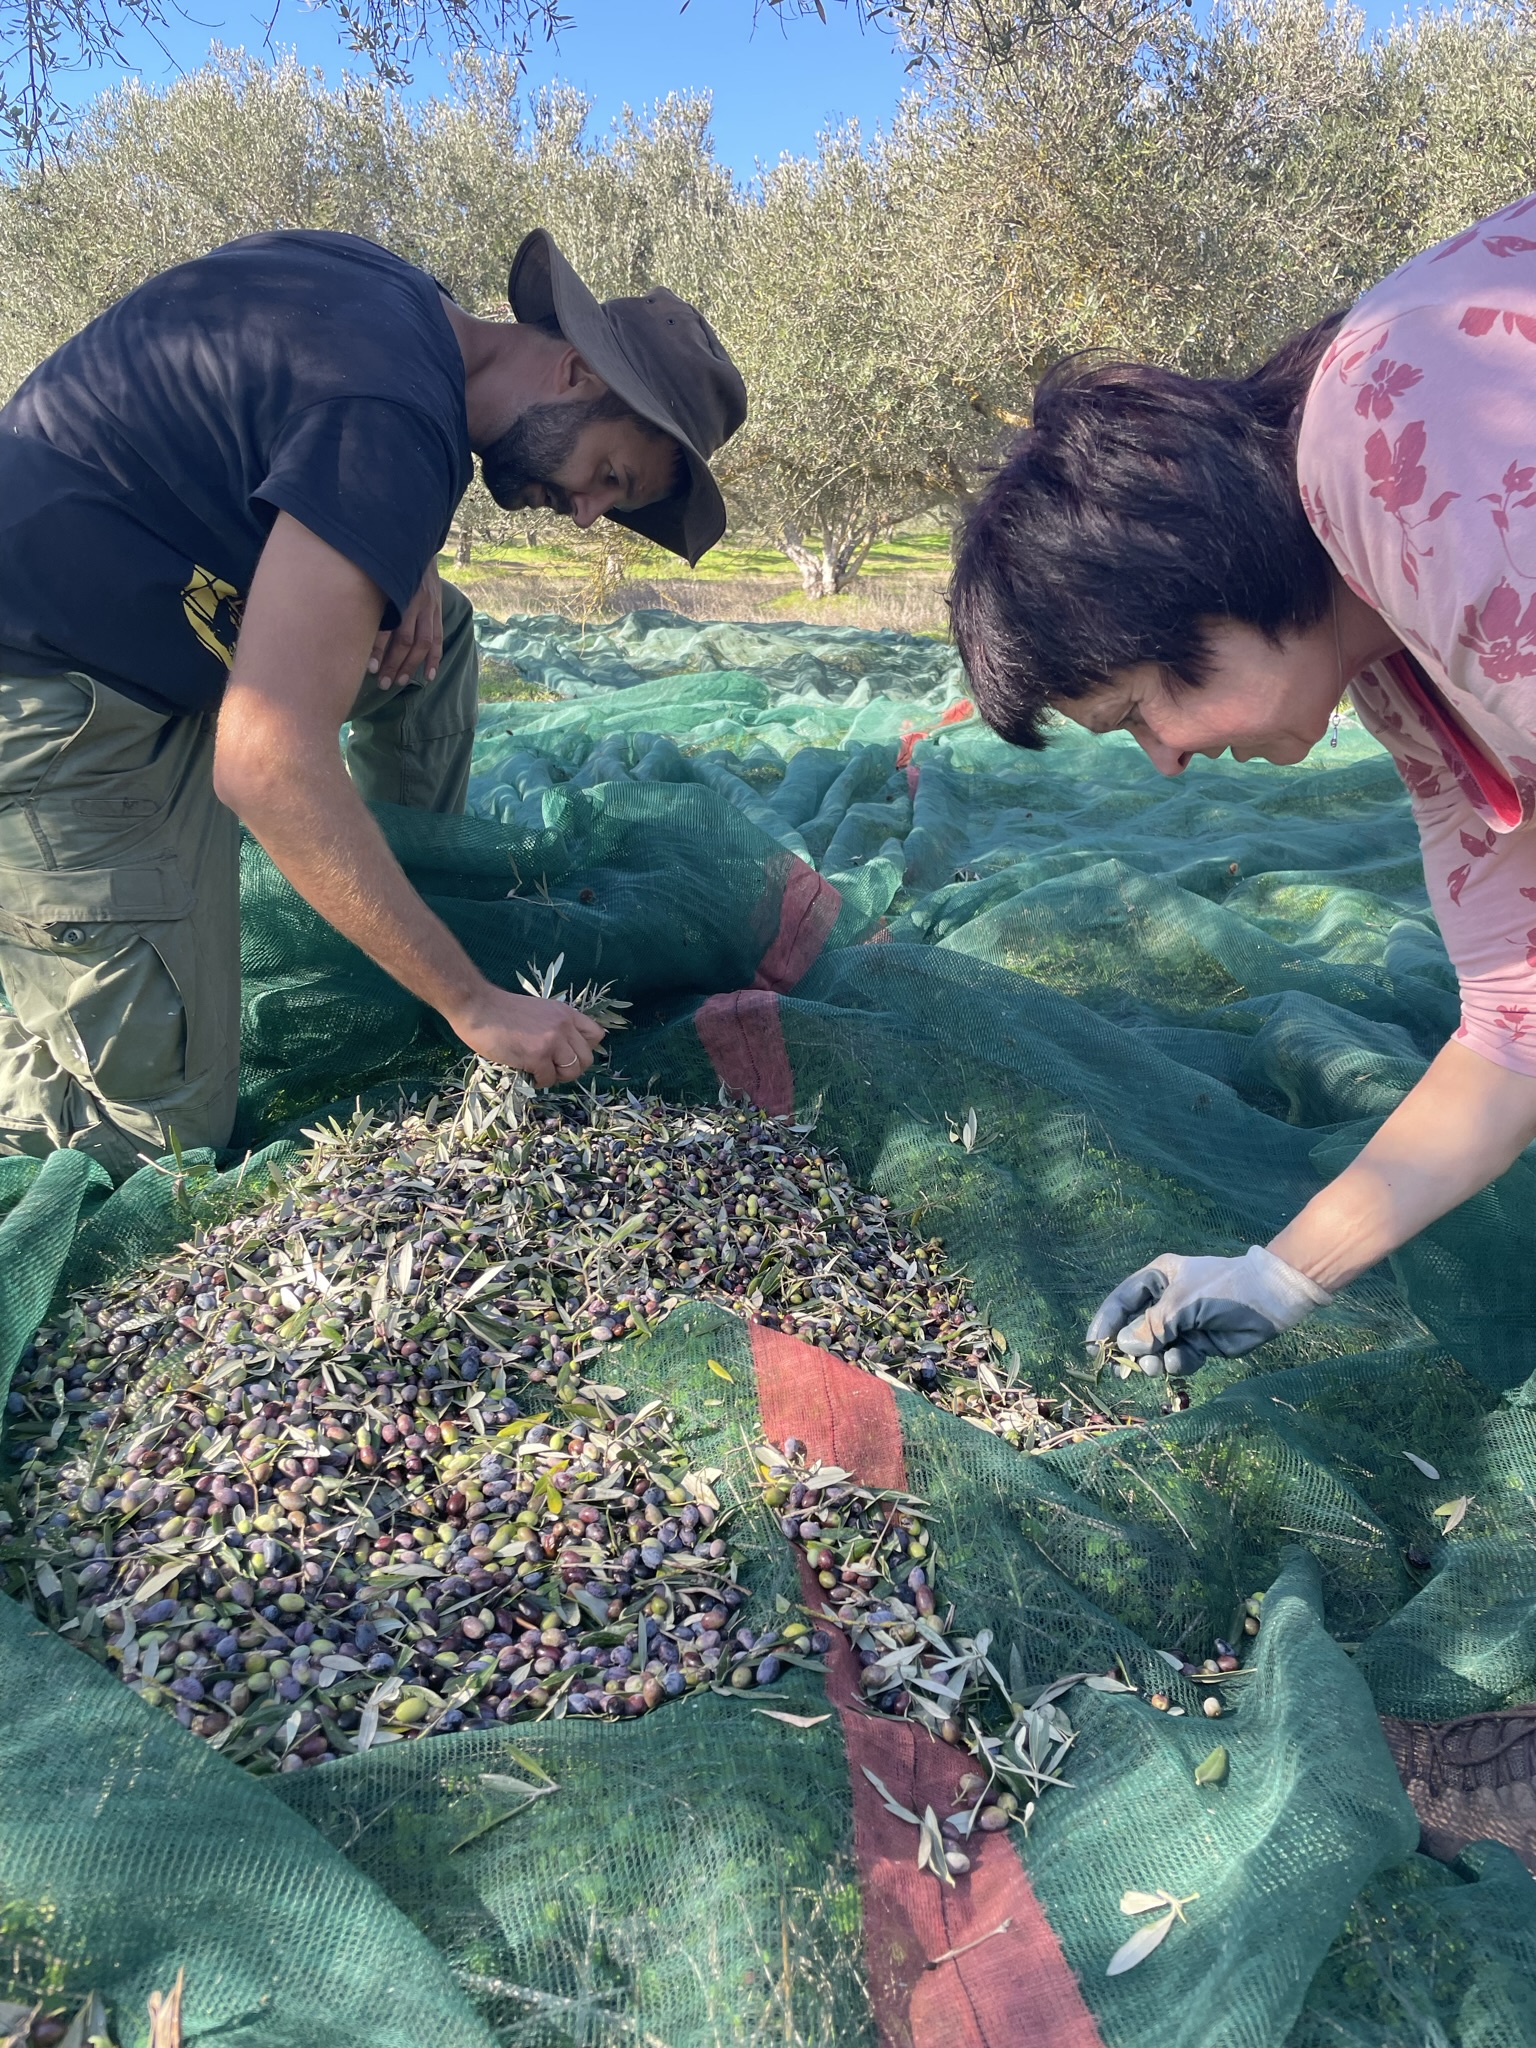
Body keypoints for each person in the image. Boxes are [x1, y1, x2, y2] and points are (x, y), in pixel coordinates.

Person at [0, 226, 747, 1179]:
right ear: (573, 372)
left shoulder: (400, 304)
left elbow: (292, 413)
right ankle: (420, 963)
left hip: (156, 621)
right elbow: (263, 763)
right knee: (166, 1133)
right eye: (610, 475)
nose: (591, 512)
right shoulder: (393, 421)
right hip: (55, 692)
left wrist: (408, 555)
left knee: (437, 636)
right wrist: (470, 1001)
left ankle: (402, 898)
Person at [950, 190, 1536, 1376]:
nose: (1165, 757)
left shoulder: (1398, 440)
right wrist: (1276, 1276)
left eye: (1139, 711)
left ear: (1192, 575)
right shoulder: (1401, 681)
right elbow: (1518, 1029)